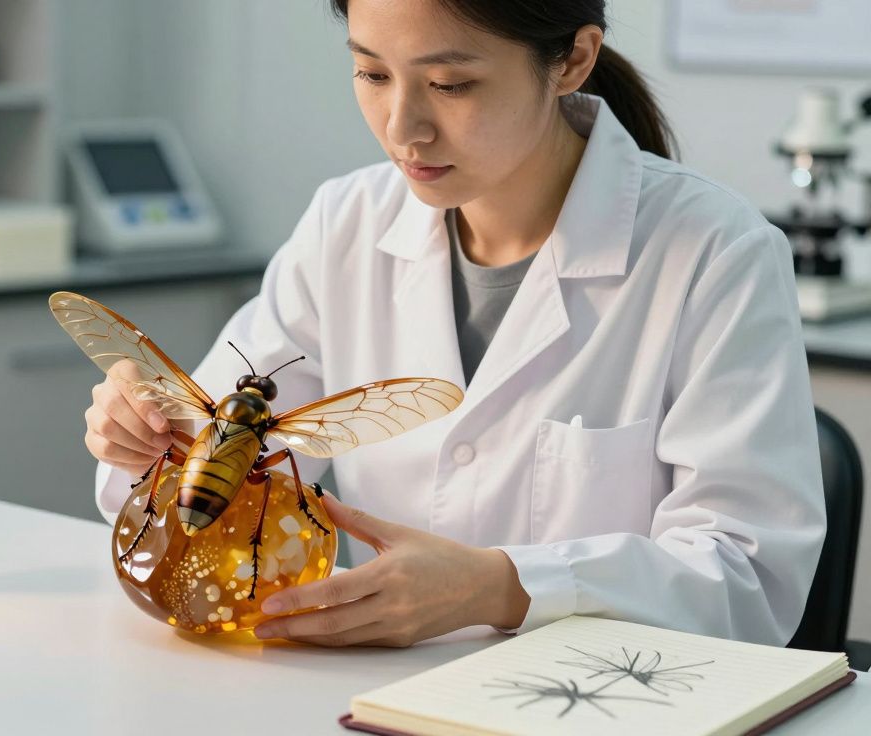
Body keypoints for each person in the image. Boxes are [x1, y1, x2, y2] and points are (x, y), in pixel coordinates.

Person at [84, 0, 824, 648]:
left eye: (450, 84)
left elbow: (748, 577)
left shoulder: (715, 252)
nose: (404, 128)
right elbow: (206, 476)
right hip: (373, 690)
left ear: (573, 59)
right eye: (373, 75)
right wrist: (146, 441)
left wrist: (499, 587)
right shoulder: (346, 225)